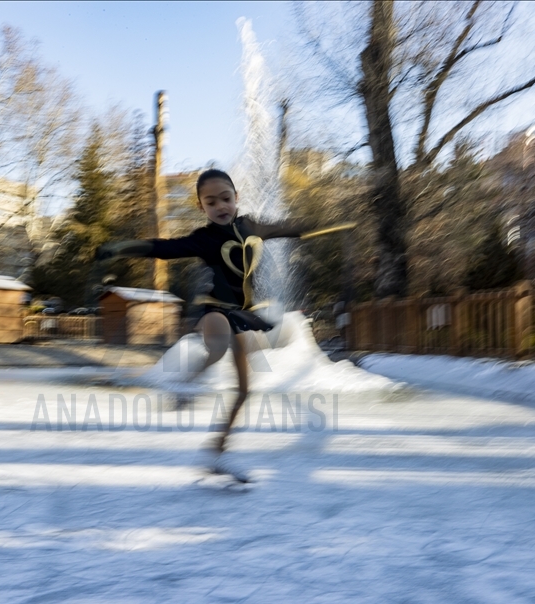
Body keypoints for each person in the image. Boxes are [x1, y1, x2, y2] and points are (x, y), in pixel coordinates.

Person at [97, 168, 348, 481]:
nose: (220, 206)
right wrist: (122, 247)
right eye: (211, 202)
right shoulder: (203, 239)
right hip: (214, 308)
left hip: (243, 314)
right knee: (216, 346)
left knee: (245, 391)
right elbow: (163, 248)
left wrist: (330, 222)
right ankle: (183, 383)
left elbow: (290, 228)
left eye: (225, 198)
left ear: (236, 198)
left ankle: (216, 452)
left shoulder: (252, 227)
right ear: (202, 207)